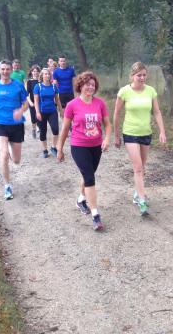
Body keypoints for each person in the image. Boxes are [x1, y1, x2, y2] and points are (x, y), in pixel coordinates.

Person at [56, 71, 111, 231]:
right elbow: (65, 129)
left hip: (96, 146)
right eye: (87, 84)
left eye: (93, 85)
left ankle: (81, 199)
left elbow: (107, 125)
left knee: (88, 176)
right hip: (79, 145)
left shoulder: (100, 104)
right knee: (89, 177)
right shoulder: (72, 105)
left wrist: (107, 139)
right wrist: (59, 148)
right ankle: (96, 216)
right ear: (80, 86)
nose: (90, 87)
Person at [113, 62, 166, 215]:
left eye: (144, 75)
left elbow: (156, 112)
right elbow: (116, 114)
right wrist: (116, 136)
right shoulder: (124, 92)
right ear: (132, 76)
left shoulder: (151, 91)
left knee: (142, 167)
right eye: (139, 75)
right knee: (137, 167)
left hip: (146, 133)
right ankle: (142, 201)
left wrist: (162, 131)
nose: (142, 78)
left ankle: (137, 193)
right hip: (130, 133)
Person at [0, 59, 29, 200]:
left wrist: (21, 110)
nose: (5, 72)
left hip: (16, 125)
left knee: (16, 160)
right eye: (2, 69)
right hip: (0, 124)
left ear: (11, 70)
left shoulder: (18, 86)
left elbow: (25, 104)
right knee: (3, 154)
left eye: (7, 69)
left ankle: (11, 150)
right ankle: (7, 186)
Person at [34, 68, 63, 158]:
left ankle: (53, 147)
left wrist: (61, 110)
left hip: (52, 111)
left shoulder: (54, 86)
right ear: (42, 76)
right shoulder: (37, 86)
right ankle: (44, 150)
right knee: (43, 131)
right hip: (42, 112)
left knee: (55, 130)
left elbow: (57, 100)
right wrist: (37, 112)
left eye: (48, 74)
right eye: (45, 74)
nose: (47, 75)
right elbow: (36, 101)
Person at [26, 65, 41, 139]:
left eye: (37, 71)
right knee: (33, 118)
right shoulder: (29, 82)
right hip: (32, 102)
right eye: (34, 71)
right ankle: (34, 129)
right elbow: (26, 94)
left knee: (40, 116)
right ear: (31, 72)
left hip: (40, 102)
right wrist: (30, 102)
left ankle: (40, 129)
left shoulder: (41, 81)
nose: (35, 73)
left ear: (39, 72)